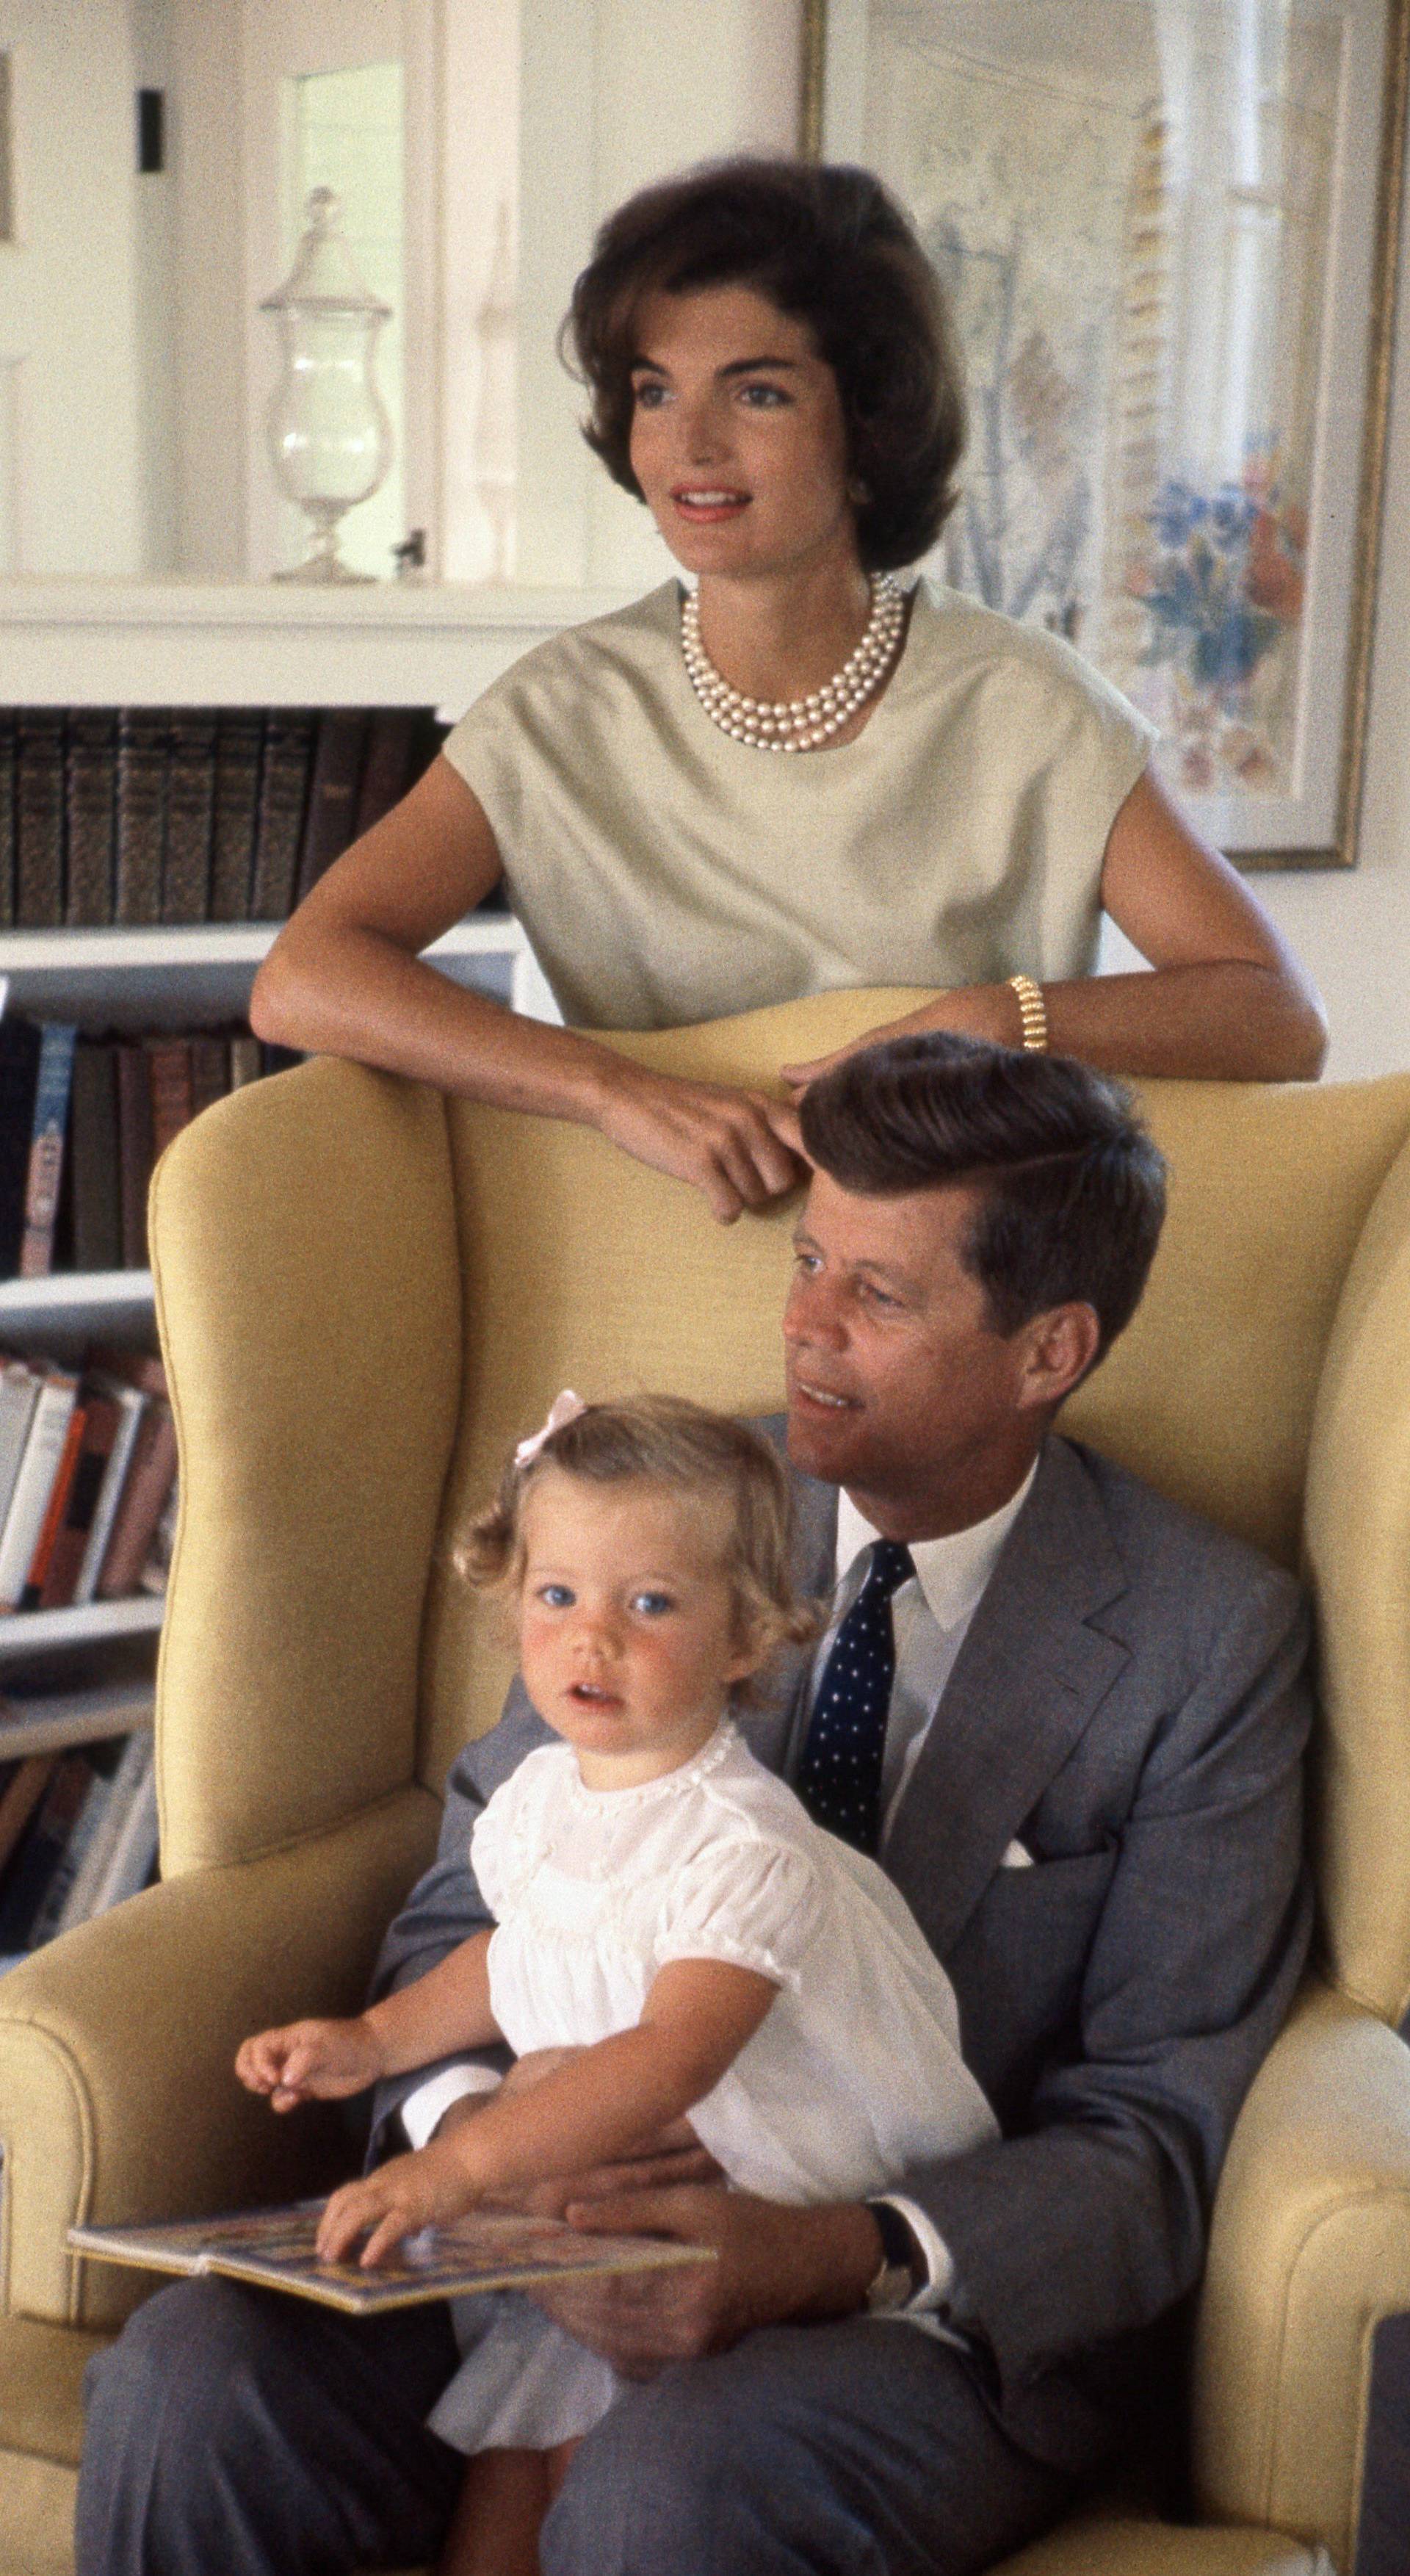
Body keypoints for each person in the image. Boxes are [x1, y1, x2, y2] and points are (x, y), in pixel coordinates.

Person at [76, 1031, 1314, 2576]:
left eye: (878, 1293)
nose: (804, 1325)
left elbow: (1153, 2133)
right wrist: (495, 2141)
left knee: (668, 2484)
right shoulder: (666, 1504)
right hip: (532, 2223)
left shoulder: (1212, 1637)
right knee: (197, 2376)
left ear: (1047, 1349)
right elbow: (477, 1909)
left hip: (896, 2311)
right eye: (810, 1259)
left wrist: (824, 2254)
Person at [249, 157, 1327, 1229]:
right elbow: (304, 976)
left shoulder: (1026, 708)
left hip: (955, 1300)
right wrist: (615, 1092)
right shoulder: (557, 715)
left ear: (869, 424)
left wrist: (998, 1022)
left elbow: (1275, 1016)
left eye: (757, 391)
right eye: (654, 391)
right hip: (657, 1263)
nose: (691, 443)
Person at [234, 1393, 995, 2576]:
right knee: (505, 2479)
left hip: (753, 2217)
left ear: (746, 1640)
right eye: (558, 1596)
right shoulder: (542, 1798)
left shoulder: (746, 1850)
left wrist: (461, 2166)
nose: (593, 1640)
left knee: (601, 2489)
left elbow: (673, 2054)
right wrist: (373, 2041)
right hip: (596, 2222)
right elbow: (519, 1954)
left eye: (649, 1605)